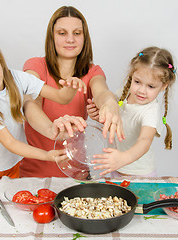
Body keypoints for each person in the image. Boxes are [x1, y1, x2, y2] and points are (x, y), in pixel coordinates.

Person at [0, 29, 87, 180]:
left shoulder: (17, 78)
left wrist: (72, 87)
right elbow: (10, 142)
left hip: (13, 163)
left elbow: (60, 97)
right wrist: (46, 155)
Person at [20, 6, 124, 178]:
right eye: (62, 33)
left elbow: (102, 93)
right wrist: (53, 131)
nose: (70, 39)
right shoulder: (35, 65)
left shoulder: (92, 71)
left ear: (85, 38)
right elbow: (29, 104)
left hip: (77, 175)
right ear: (51, 37)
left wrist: (110, 104)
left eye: (77, 33)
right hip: (34, 174)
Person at [88, 46, 176, 177]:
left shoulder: (150, 111)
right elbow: (116, 120)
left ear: (163, 86)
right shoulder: (124, 94)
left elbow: (145, 141)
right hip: (116, 168)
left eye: (150, 86)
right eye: (137, 82)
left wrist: (123, 158)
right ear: (132, 75)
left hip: (140, 175)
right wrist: (99, 115)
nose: (141, 90)